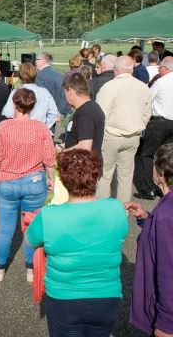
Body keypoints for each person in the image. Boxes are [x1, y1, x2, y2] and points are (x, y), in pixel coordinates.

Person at [27, 149, 128, 337]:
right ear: (96, 176)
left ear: (63, 180)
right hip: (106, 297)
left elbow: (30, 240)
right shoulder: (116, 209)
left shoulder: (48, 216)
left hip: (63, 298)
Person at [0, 88, 55, 283]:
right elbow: (49, 158)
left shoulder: (3, 127)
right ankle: (31, 269)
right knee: (31, 227)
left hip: (8, 181)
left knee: (5, 228)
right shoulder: (41, 127)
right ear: (32, 106)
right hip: (34, 182)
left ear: (14, 104)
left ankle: (0, 268)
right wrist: (51, 177)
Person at [126, 144, 173, 337]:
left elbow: (168, 271)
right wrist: (146, 217)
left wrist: (166, 323)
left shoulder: (167, 213)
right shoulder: (165, 208)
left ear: (160, 175)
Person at [96, 55, 152, 202]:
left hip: (111, 137)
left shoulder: (109, 87)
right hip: (133, 137)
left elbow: (101, 115)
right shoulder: (143, 87)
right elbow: (147, 113)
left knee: (104, 175)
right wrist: (139, 127)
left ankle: (103, 211)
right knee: (126, 176)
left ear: (116, 70)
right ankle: (123, 210)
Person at [133, 57, 173, 200]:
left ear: (166, 68)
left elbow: (147, 98)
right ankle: (165, 187)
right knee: (166, 156)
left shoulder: (161, 82)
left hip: (158, 123)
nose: (159, 70)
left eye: (160, 68)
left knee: (146, 155)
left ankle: (147, 188)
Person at [2, 63, 59, 131]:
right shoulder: (44, 92)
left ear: (20, 76)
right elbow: (54, 113)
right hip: (38, 130)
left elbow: (7, 113)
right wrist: (45, 127)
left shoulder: (16, 92)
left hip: (20, 130)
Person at [59, 73, 105, 154]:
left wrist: (62, 152)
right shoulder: (93, 106)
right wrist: (65, 145)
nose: (65, 98)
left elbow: (85, 147)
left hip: (83, 164)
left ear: (70, 91)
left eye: (65, 93)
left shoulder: (85, 113)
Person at [35, 52, 69, 116]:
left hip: (43, 113)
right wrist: (59, 112)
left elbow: (39, 96)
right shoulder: (59, 75)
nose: (35, 61)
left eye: (37, 59)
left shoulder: (39, 75)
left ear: (43, 61)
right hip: (55, 112)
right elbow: (64, 95)